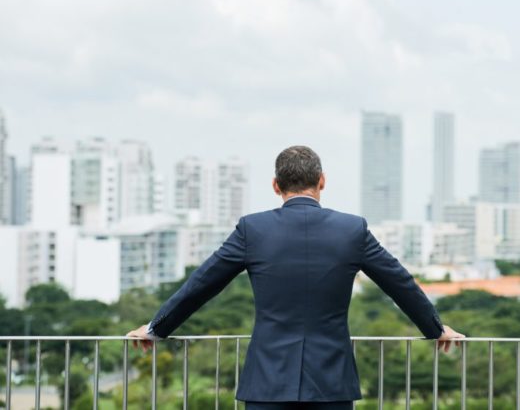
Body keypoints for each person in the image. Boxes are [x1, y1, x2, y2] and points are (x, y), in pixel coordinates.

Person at [127, 145, 465, 409]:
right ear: (322, 181)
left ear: (276, 186)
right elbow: (399, 283)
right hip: (331, 382)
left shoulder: (252, 229)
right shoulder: (352, 230)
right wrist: (435, 329)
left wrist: (157, 327)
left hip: (267, 382)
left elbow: (202, 284)